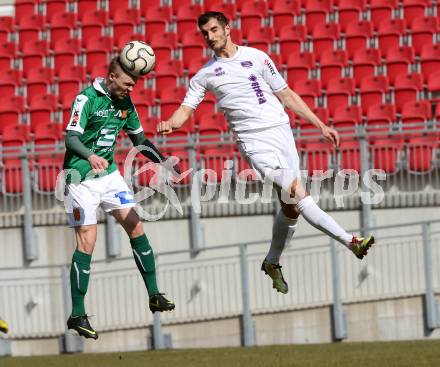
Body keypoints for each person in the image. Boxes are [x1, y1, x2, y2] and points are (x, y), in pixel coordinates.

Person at [157, 12, 375, 295]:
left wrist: (320, 124)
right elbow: (186, 110)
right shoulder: (205, 75)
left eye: (213, 30)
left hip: (282, 132)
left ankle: (272, 262)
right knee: (297, 191)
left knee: (291, 205)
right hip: (254, 142)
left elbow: (286, 95)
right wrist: (171, 123)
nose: (210, 37)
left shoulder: (257, 57)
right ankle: (351, 241)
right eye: (205, 33)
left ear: (227, 28)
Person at [63, 57, 175, 340]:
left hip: (110, 175)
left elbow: (139, 141)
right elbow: (71, 138)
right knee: (87, 241)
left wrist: (162, 161)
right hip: (80, 177)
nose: (130, 90)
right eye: (126, 84)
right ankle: (77, 314)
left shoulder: (126, 104)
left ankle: (154, 295)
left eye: (133, 85)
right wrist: (89, 156)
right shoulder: (85, 98)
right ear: (111, 77)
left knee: (136, 225)